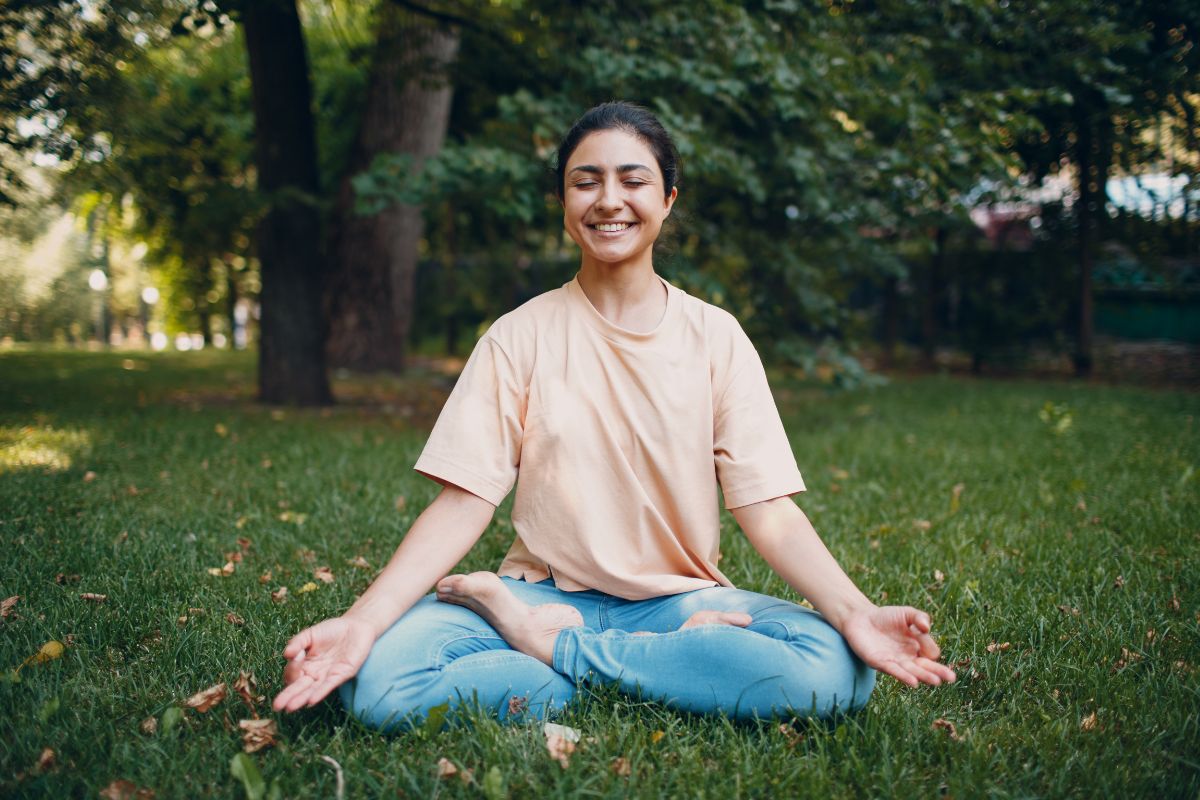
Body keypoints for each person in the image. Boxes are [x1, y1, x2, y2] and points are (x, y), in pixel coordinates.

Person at [272, 101, 956, 729]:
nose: (608, 200)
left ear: (667, 199)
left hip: (676, 602)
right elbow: (462, 502)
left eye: (632, 180)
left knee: (832, 672)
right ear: (564, 203)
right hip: (536, 592)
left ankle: (560, 652)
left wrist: (856, 612)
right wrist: (361, 624)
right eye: (585, 181)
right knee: (381, 688)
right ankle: (643, 662)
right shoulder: (519, 335)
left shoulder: (716, 338)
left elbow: (767, 508)